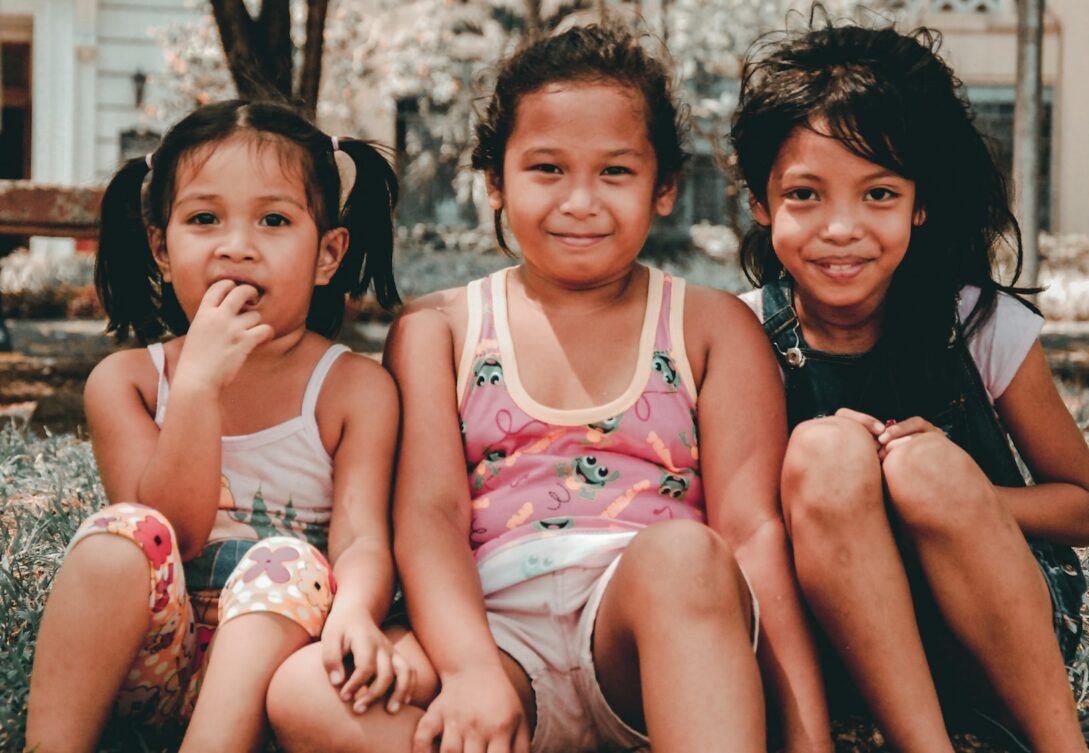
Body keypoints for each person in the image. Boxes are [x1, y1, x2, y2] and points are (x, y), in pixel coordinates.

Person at [267, 22, 832, 753]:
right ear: (496, 181)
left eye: (616, 172)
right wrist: (469, 670)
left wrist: (810, 740)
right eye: (547, 169)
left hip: (648, 634)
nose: (581, 202)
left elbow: (752, 536)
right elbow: (431, 516)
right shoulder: (440, 328)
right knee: (305, 690)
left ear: (663, 188)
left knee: (685, 554)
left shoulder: (710, 326)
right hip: (493, 637)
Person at [730, 18, 1089, 753]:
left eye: (878, 194)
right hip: (836, 644)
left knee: (926, 465)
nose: (842, 229)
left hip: (999, 640)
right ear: (758, 201)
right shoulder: (739, 337)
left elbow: (1088, 508)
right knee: (825, 452)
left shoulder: (978, 323)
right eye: (806, 194)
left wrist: (948, 494)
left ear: (921, 202)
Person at [24, 99, 415, 753]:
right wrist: (198, 387)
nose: (237, 244)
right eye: (204, 219)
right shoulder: (128, 383)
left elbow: (363, 539)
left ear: (327, 254)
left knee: (285, 559)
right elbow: (173, 528)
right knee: (117, 534)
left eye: (273, 219)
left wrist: (355, 611)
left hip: (277, 677)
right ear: (162, 248)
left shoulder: (354, 388)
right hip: (160, 666)